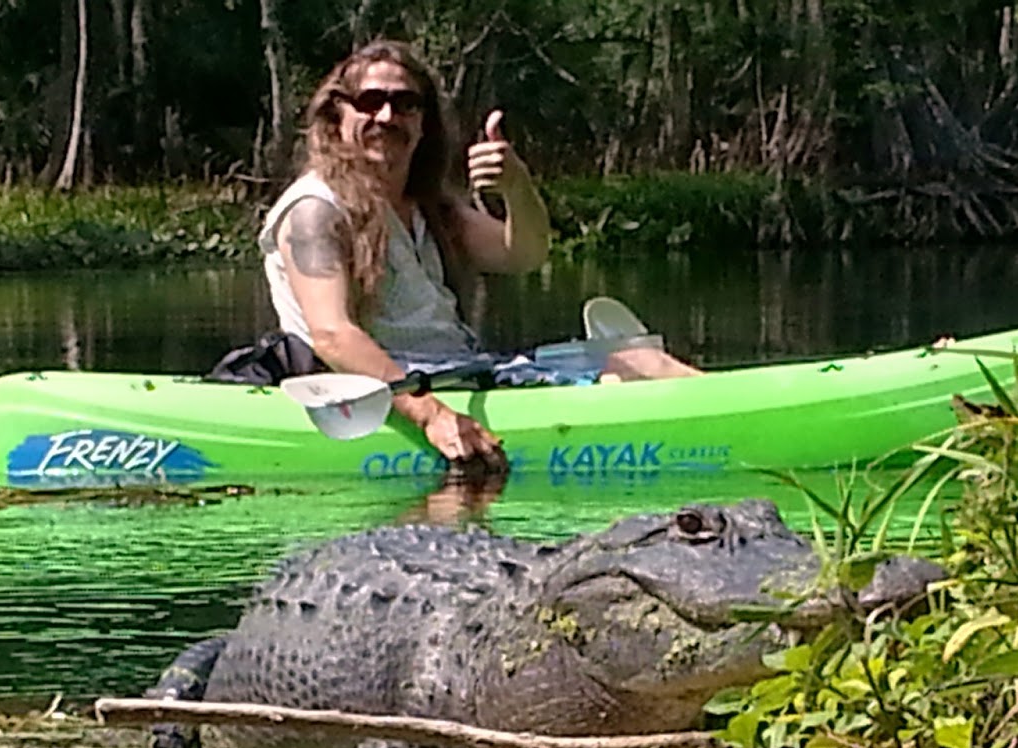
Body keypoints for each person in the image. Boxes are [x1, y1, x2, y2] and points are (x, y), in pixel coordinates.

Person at [259, 40, 695, 472]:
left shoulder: (430, 206)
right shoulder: (315, 210)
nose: (387, 116)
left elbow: (524, 253)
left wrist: (516, 187)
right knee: (618, 378)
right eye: (371, 101)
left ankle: (745, 401)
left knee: (638, 358)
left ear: (424, 122)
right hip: (398, 392)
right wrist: (431, 414)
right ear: (339, 115)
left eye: (405, 103)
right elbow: (333, 334)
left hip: (460, 372)